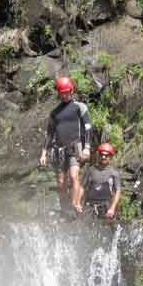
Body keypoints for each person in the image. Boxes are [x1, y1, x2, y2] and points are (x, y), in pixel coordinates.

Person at [38, 76, 92, 215]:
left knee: (74, 176)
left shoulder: (79, 107)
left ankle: (75, 204)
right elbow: (49, 134)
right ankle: (64, 210)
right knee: (61, 183)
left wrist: (87, 147)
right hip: (59, 151)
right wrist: (44, 153)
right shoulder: (54, 113)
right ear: (59, 93)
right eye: (62, 93)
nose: (65, 95)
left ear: (71, 91)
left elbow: (88, 127)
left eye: (67, 92)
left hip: (75, 148)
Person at [79, 142, 123, 220]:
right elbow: (82, 187)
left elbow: (118, 192)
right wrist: (78, 203)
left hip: (106, 207)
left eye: (106, 155)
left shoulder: (114, 173)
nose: (103, 157)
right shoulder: (90, 170)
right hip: (89, 206)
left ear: (111, 156)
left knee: (105, 226)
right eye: (101, 154)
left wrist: (112, 208)